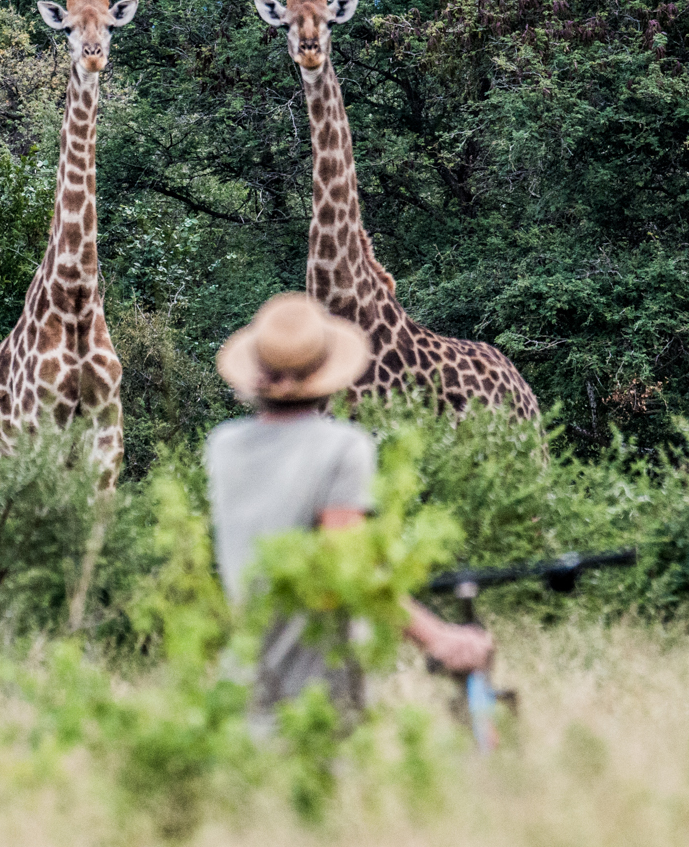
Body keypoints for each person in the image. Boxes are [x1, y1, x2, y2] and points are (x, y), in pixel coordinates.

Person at [205, 292, 492, 721]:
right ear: (325, 369)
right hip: (318, 686)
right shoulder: (343, 447)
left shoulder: (222, 446)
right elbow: (350, 569)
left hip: (241, 678)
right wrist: (439, 638)